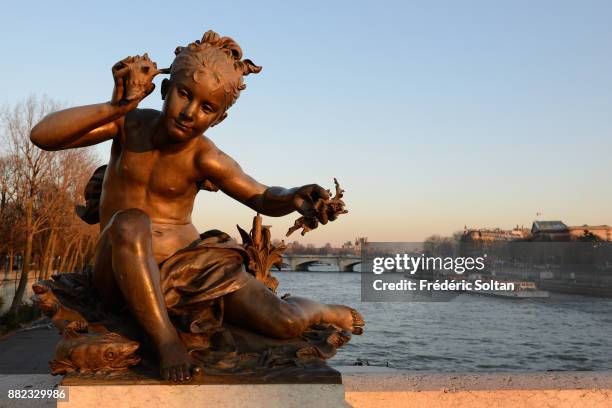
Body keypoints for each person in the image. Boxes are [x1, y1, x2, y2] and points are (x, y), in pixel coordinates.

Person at [30, 30, 363, 382]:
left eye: (206, 108)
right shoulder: (130, 124)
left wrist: (295, 195)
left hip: (192, 269)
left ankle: (322, 309)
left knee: (285, 322)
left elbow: (261, 195)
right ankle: (165, 340)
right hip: (119, 269)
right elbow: (43, 136)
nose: (189, 113)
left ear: (218, 119)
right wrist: (119, 106)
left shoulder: (206, 156)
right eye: (184, 95)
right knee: (131, 222)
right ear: (164, 90)